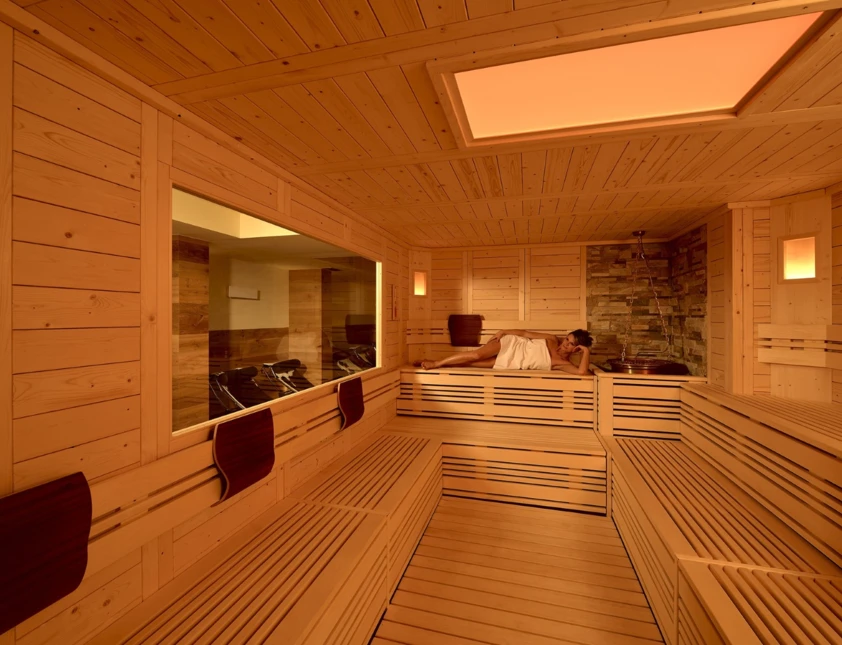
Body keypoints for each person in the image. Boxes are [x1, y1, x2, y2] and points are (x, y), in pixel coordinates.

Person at [414, 329, 593, 375]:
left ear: (576, 349)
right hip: (511, 345)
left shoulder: (563, 365)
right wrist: (503, 332)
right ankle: (436, 363)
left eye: (570, 344)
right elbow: (525, 334)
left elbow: (581, 372)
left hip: (511, 363)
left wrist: (585, 352)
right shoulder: (552, 339)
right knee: (476, 355)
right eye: (567, 339)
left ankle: (435, 361)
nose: (564, 344)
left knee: (470, 363)